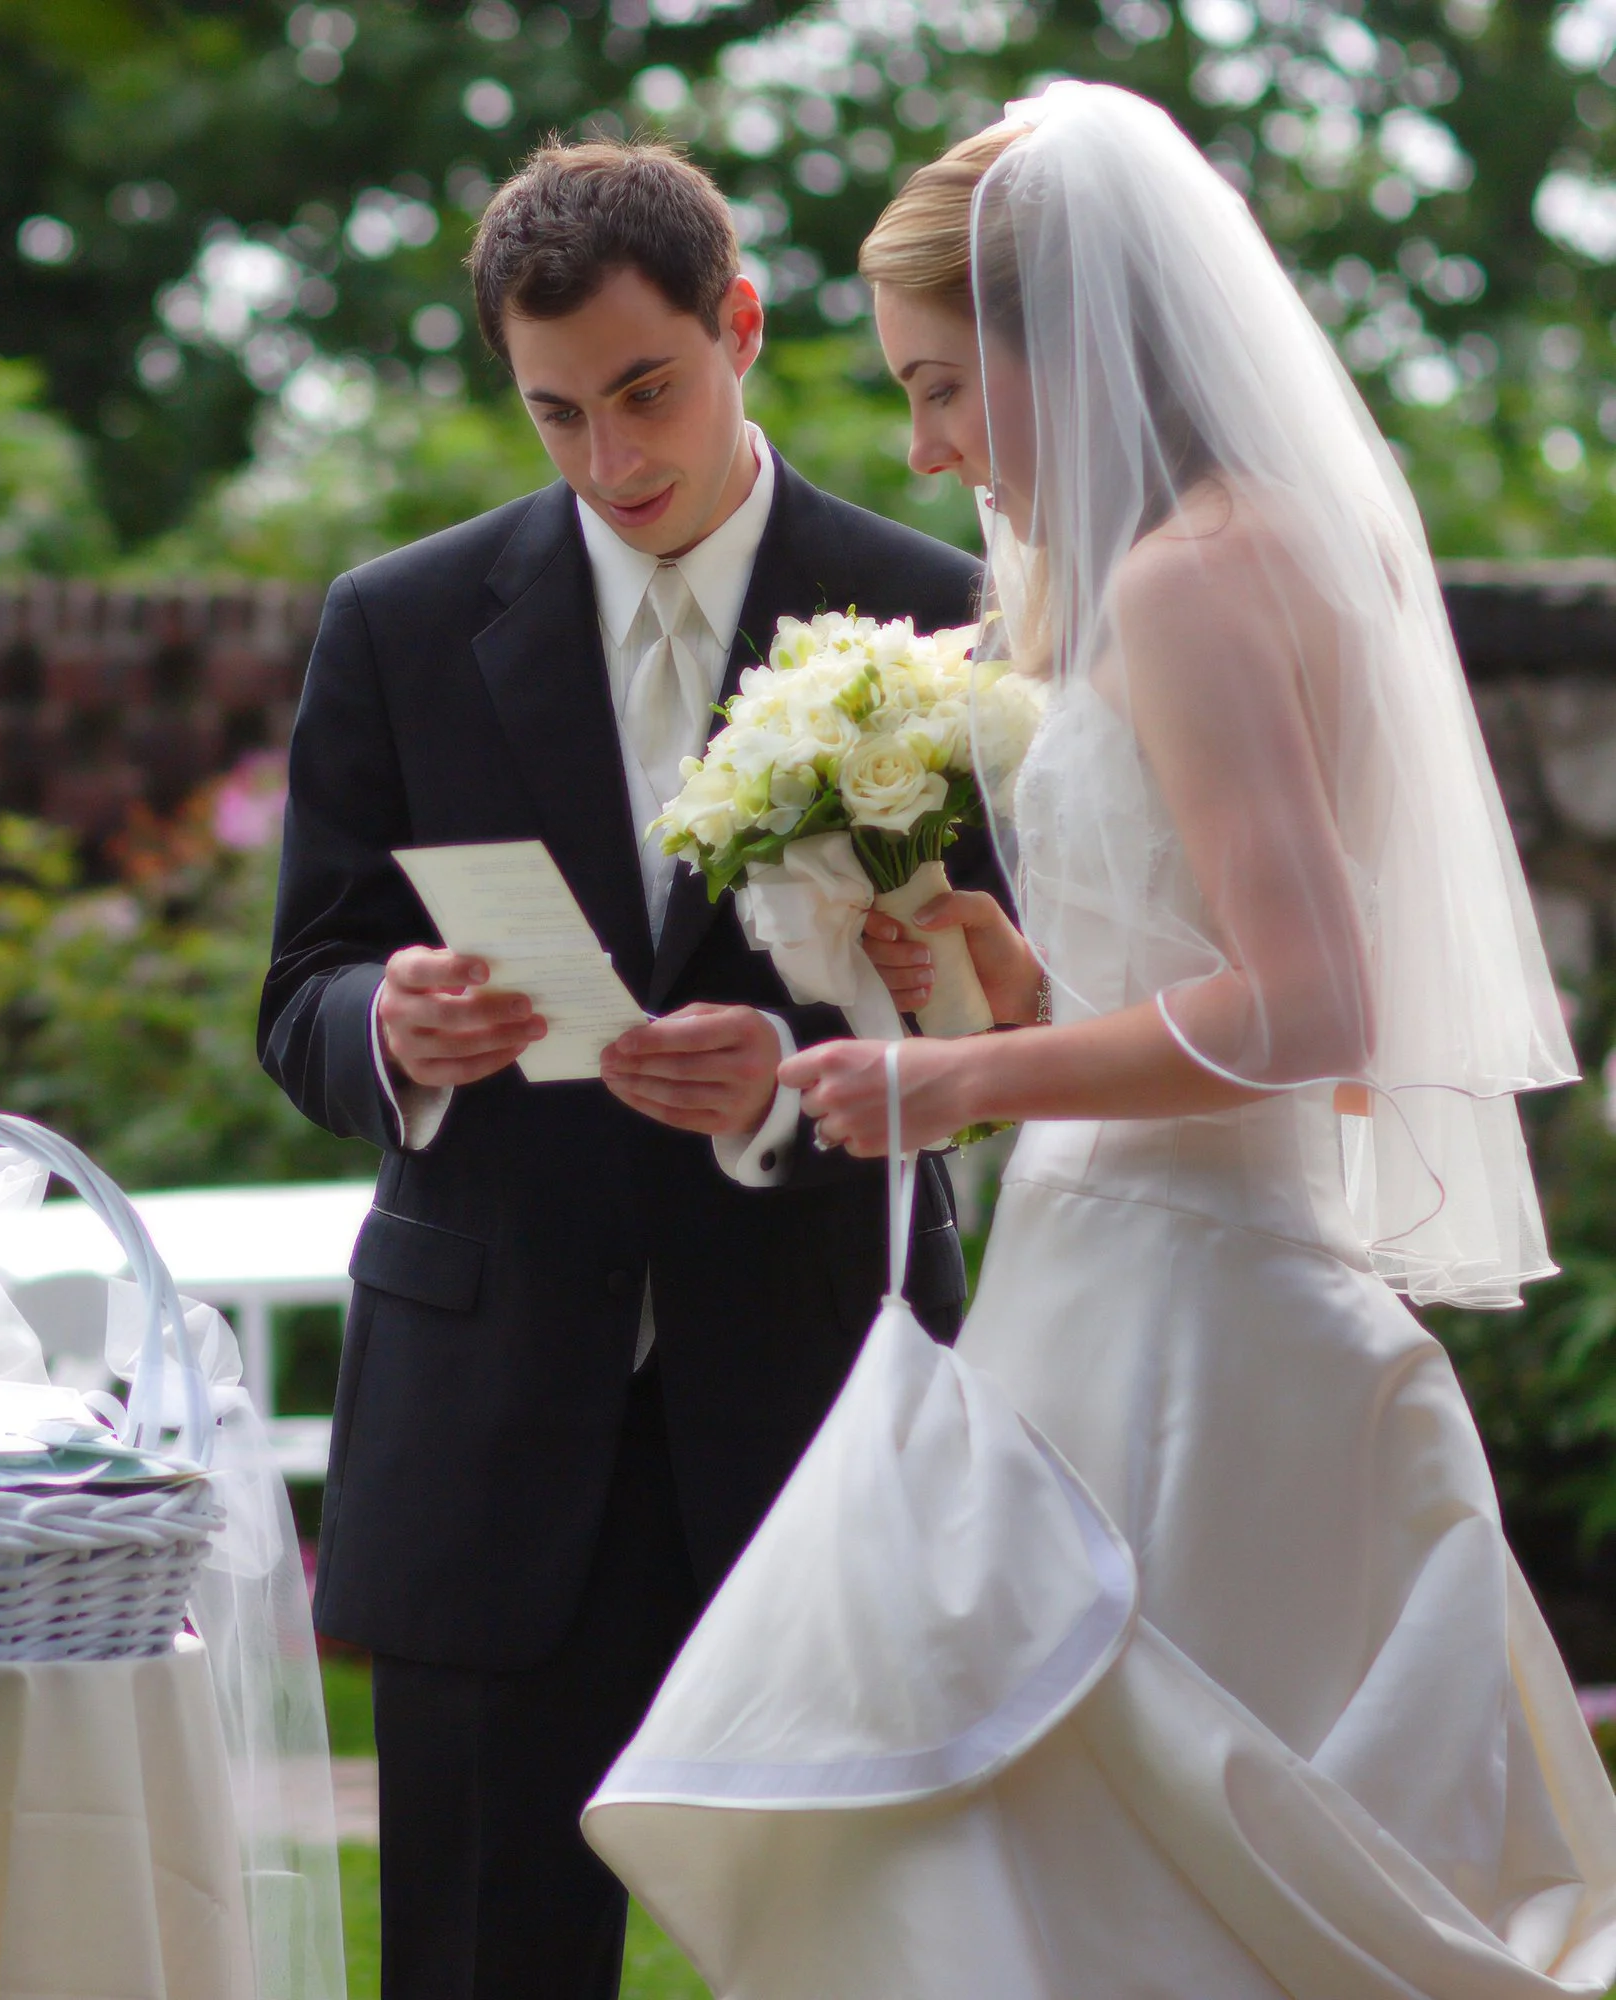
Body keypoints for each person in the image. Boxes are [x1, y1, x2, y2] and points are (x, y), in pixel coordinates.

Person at [583, 82, 1616, 1997]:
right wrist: (1004, 978)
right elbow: (1206, 973)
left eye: (949, 385)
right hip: (1121, 1279)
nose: (929, 443)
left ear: (1077, 343)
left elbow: (1315, 1011)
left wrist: (951, 1078)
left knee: (1097, 1883)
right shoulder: (1238, 555)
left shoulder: (1188, 580)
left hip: (1191, 1332)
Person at [258, 140, 987, 1998]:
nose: (609, 458)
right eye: (556, 413)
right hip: (492, 1416)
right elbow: (302, 994)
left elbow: (1002, 1011)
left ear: (739, 327)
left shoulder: (940, 613)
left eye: (645, 391)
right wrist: (391, 1034)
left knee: (868, 1960)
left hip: (825, 1393)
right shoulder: (397, 624)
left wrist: (797, 1078)